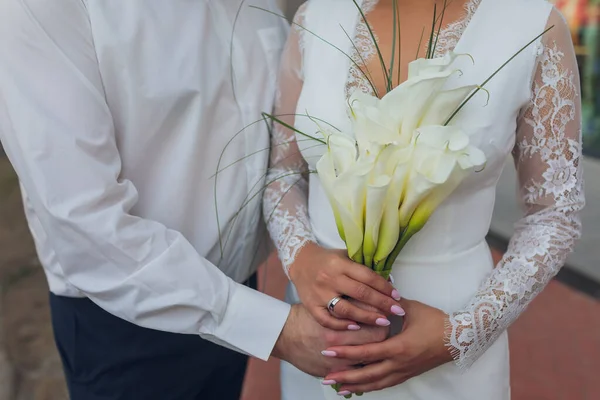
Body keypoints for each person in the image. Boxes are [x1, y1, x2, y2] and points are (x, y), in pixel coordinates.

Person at [0, 1, 399, 399]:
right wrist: (276, 329)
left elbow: (278, 149)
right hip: (129, 326)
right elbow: (84, 224)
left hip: (242, 298)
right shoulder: (41, 9)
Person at [264, 0, 585, 399]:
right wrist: (302, 260)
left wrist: (463, 332)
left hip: (449, 334)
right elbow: (282, 173)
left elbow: (553, 214)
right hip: (325, 334)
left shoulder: (533, 28)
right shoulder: (317, 17)